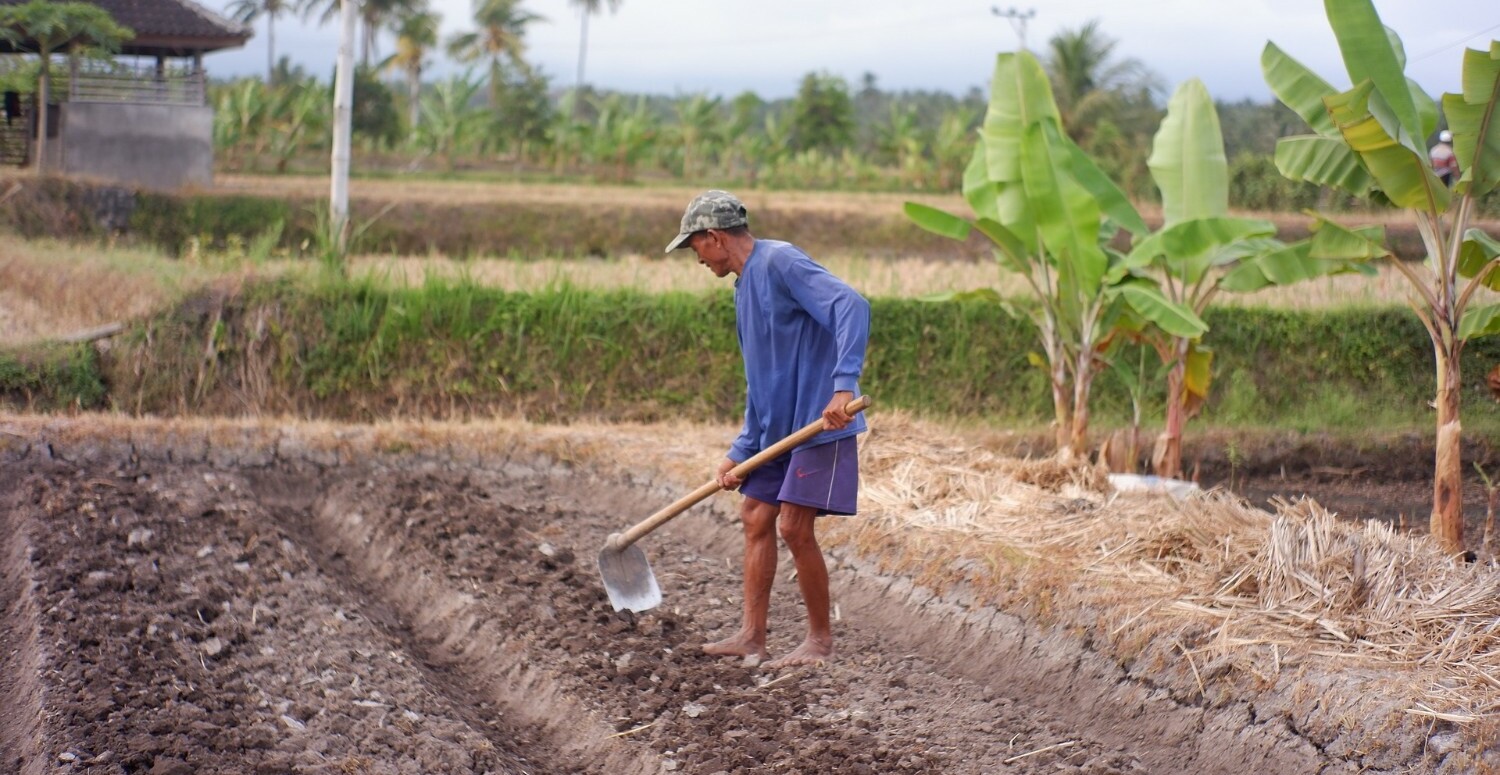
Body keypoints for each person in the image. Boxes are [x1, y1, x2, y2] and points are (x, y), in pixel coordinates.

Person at [665, 190, 870, 669]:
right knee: (756, 515)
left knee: (793, 526)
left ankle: (819, 642)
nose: (697, 259)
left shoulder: (780, 262)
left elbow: (851, 306)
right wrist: (741, 450)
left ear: (714, 237)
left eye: (695, 247)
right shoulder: (743, 289)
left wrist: (843, 386)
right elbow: (761, 379)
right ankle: (751, 637)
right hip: (776, 431)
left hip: (817, 423)